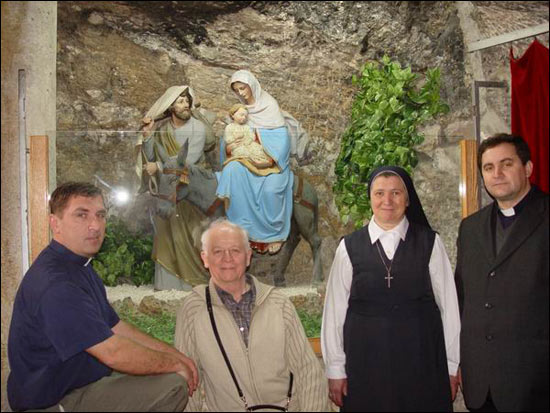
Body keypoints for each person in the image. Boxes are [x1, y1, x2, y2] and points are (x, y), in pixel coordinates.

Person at [7, 182, 198, 412]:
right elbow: (113, 353)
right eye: (81, 215)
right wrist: (175, 365)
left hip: (80, 383)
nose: (95, 225)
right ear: (55, 223)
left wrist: (175, 355)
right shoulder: (55, 283)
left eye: (100, 215)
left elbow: (116, 327)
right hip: (56, 400)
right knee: (172, 386)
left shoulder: (79, 266)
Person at [322, 166, 460, 412]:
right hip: (365, 366)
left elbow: (449, 308)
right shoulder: (349, 247)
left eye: (396, 193)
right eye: (379, 193)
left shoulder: (430, 243)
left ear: (407, 200)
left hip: (422, 364)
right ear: (370, 198)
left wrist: (451, 366)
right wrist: (335, 369)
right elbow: (334, 313)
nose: (387, 201)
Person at [174, 218, 329, 411]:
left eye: (235, 250)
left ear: (248, 257)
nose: (227, 258)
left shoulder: (279, 304)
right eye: (218, 251)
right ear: (205, 258)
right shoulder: (194, 310)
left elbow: (308, 372)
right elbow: (189, 382)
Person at [455, 134, 549, 412]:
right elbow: (463, 299)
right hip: (481, 384)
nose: (496, 174)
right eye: (488, 167)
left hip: (536, 382)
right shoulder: (470, 228)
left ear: (527, 168)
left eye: (506, 164)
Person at [137, 85, 216, 290]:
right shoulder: (163, 130)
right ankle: (168, 283)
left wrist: (159, 166)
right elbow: (150, 157)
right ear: (171, 106)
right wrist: (148, 136)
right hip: (167, 189)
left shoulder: (197, 128)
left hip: (189, 187)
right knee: (165, 232)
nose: (186, 104)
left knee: (191, 235)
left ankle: (195, 280)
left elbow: (189, 160)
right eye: (180, 101)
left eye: (187, 101)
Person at [217, 70, 294, 255]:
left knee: (270, 191)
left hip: (271, 163)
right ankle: (241, 228)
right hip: (246, 159)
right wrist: (229, 147)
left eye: (243, 88)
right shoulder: (240, 111)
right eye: (237, 90)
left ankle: (273, 234)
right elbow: (228, 138)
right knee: (232, 169)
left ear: (252, 85)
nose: (241, 93)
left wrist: (268, 157)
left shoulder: (269, 106)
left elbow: (282, 137)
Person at [224, 103, 274, 169]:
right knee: (242, 151)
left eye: (245, 116)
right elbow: (228, 138)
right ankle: (251, 162)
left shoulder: (246, 127)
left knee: (257, 149)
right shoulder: (229, 127)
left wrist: (247, 141)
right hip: (237, 145)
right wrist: (234, 139)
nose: (243, 117)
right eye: (241, 115)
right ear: (233, 115)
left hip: (248, 144)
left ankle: (260, 161)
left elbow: (252, 136)